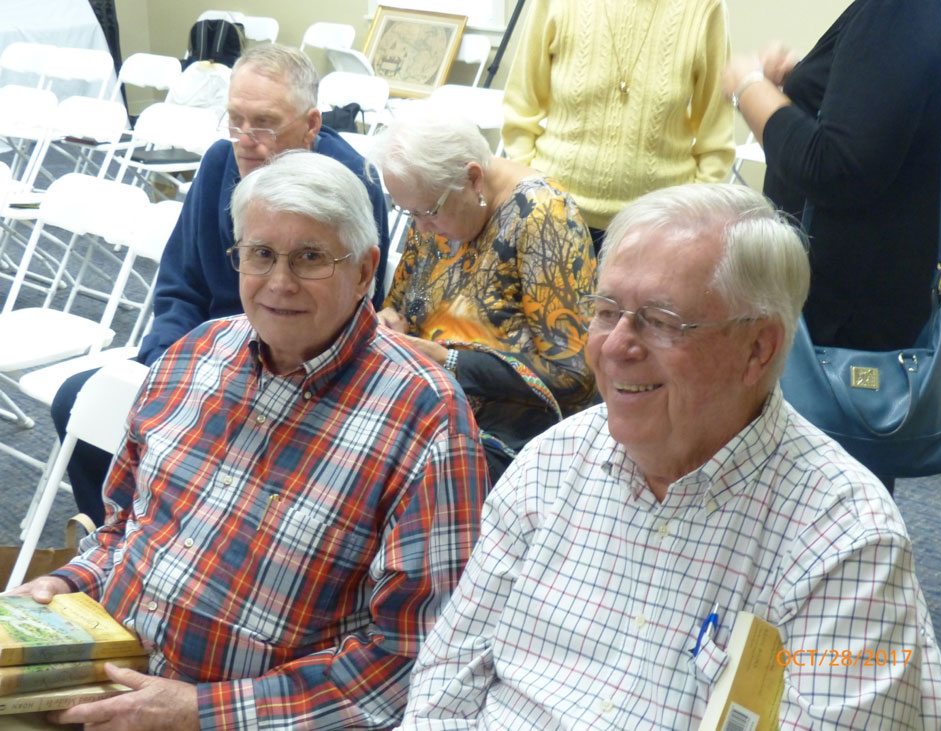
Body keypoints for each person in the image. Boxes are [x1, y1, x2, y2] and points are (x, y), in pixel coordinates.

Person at [394, 183, 941, 729]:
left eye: (661, 322)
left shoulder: (844, 539)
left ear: (759, 348)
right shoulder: (550, 464)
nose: (615, 348)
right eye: (607, 311)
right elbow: (445, 683)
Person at [11, 150, 489, 730]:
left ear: (365, 270)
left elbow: (407, 660)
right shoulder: (192, 356)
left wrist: (200, 712)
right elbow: (122, 529)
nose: (279, 283)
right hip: (101, 679)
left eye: (310, 257)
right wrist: (64, 584)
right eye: (260, 254)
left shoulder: (427, 420)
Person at [52, 43, 392, 527]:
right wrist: (165, 366)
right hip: (201, 354)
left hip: (294, 371)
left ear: (312, 124)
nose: (245, 138)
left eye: (265, 123)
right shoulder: (218, 165)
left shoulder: (346, 184)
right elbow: (179, 286)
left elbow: (357, 311)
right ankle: (120, 531)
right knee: (78, 402)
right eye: (235, 120)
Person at [722, 0, 941, 488]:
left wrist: (749, 87)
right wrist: (812, 81)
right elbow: (884, 124)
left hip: (834, 324)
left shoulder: (899, 11)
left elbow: (834, 167)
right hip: (876, 304)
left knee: (807, 517)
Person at [366, 102, 596, 481]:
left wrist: (450, 361)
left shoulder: (541, 217)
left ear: (473, 179)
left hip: (504, 441)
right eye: (409, 215)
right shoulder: (433, 203)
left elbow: (575, 376)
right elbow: (402, 303)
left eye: (427, 213)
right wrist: (391, 320)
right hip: (426, 410)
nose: (421, 230)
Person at [501, 0, 735, 251]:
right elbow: (520, 109)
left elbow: (716, 138)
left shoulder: (705, 7)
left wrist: (689, 215)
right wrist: (534, 192)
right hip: (552, 215)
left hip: (659, 228)